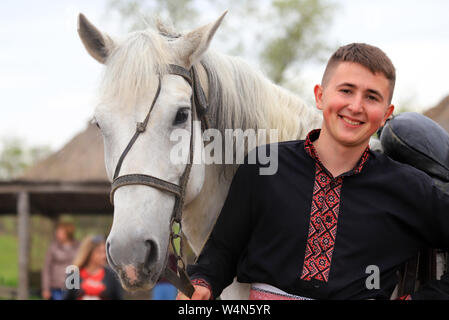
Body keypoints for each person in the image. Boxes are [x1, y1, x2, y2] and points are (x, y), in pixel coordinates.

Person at [177, 43, 449, 300]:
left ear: (386, 113)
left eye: (371, 97)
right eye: (346, 90)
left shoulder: (407, 186)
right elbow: (223, 250)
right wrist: (203, 282)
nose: (355, 106)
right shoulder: (265, 165)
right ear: (320, 96)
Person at [64, 235, 123, 300]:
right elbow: (67, 297)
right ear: (88, 253)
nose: (103, 256)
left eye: (104, 252)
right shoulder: (74, 274)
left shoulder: (112, 275)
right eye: (99, 252)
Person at [41, 221, 79, 300]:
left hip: (73, 286)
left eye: (60, 232)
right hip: (57, 287)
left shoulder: (78, 246)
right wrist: (46, 288)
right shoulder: (53, 247)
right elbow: (47, 269)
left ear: (68, 233)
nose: (57, 234)